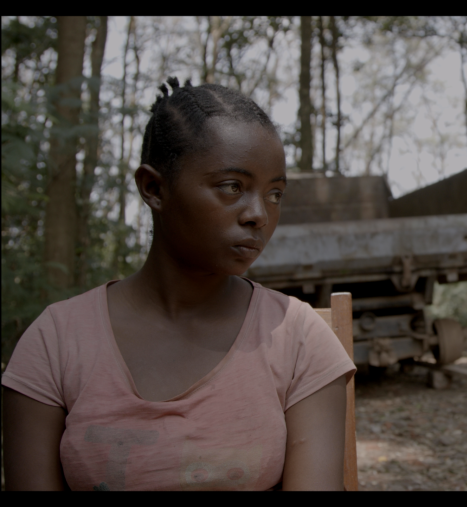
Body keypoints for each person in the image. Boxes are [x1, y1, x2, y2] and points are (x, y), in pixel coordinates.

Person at [1, 78, 356, 491]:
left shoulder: (298, 340)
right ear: (154, 188)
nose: (259, 213)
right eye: (232, 187)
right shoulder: (56, 341)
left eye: (275, 193)